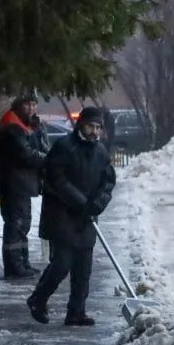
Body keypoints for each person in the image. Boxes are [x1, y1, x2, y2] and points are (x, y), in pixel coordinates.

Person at [26, 106, 116, 326]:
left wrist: (97, 204)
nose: (94, 132)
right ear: (81, 125)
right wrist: (80, 202)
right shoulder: (64, 147)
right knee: (62, 263)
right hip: (62, 215)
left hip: (86, 218)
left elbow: (108, 182)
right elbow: (56, 178)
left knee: (83, 267)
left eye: (98, 127)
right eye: (90, 126)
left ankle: (76, 311)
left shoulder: (101, 151)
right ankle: (38, 299)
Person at [0, 94, 48, 279]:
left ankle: (22, 262)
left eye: (34, 104)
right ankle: (14, 266)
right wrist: (47, 159)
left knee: (23, 223)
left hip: (21, 184)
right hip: (13, 183)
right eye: (28, 105)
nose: (32, 108)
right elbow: (25, 154)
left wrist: (37, 128)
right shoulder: (12, 126)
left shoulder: (24, 123)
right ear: (18, 106)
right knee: (16, 225)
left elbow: (37, 145)